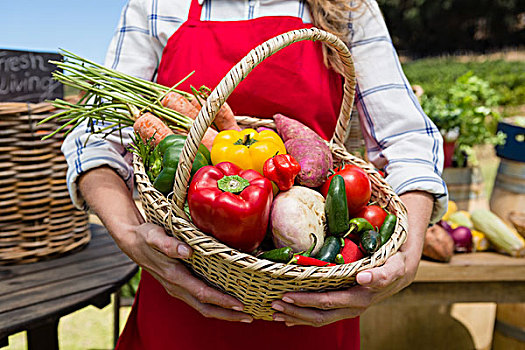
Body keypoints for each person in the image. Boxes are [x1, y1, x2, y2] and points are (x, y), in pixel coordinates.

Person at [62, 0, 448, 349]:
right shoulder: (158, 3)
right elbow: (94, 142)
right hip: (180, 298)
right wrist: (132, 236)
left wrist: (409, 252)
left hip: (311, 306)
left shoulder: (348, 7)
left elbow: (407, 140)